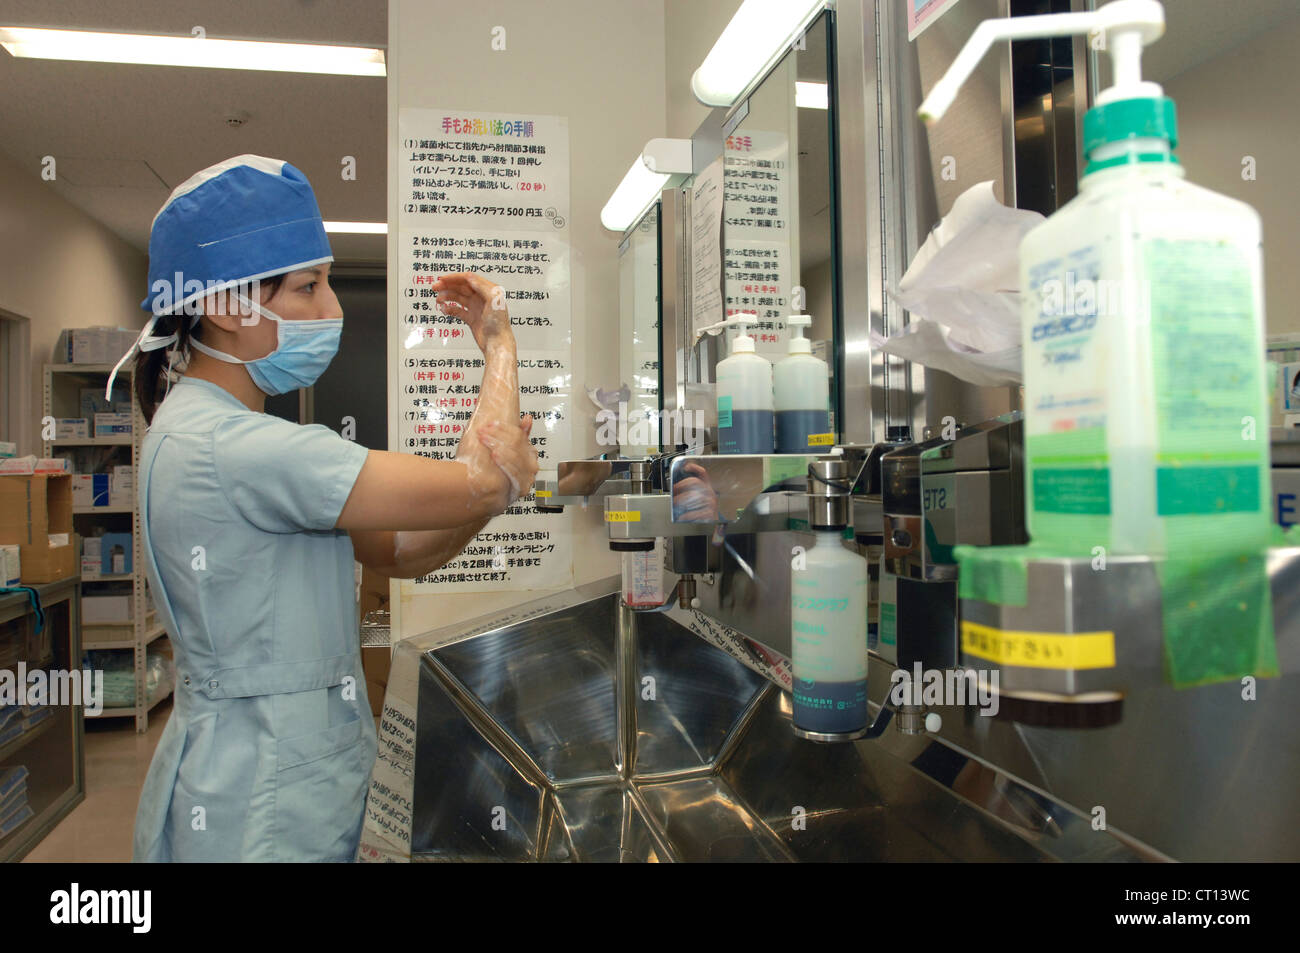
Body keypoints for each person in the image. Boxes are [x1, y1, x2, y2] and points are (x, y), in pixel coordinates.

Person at [110, 155, 538, 861]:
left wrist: (488, 489)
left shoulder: (191, 428)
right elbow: (480, 479)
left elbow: (399, 549)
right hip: (267, 804)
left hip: (252, 776)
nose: (331, 309)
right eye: (308, 287)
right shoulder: (242, 447)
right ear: (226, 305)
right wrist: (499, 344)